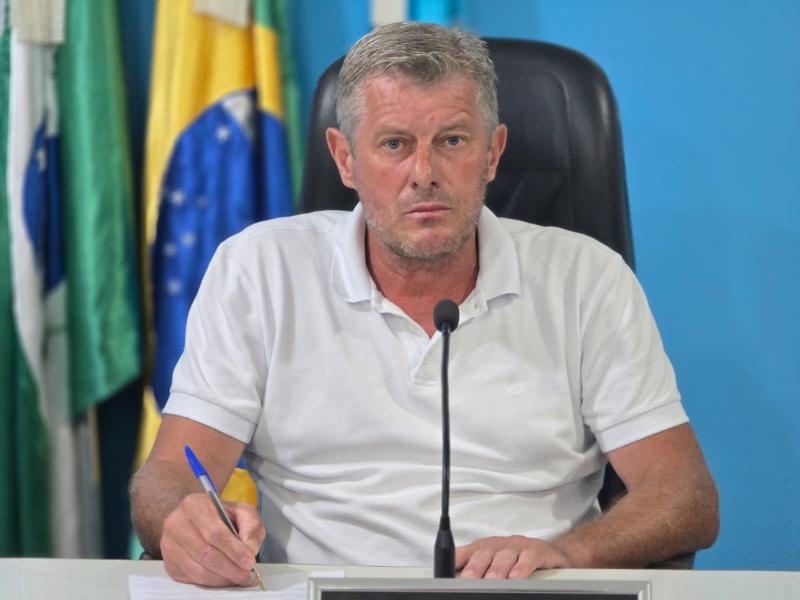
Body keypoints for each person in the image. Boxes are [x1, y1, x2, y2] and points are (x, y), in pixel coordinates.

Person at [130, 22, 719, 587]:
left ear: (492, 152)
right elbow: (169, 474)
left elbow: (684, 493)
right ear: (344, 158)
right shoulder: (259, 270)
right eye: (394, 144)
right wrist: (185, 522)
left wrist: (571, 554)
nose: (424, 174)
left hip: (530, 589)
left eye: (452, 141)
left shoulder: (586, 278)